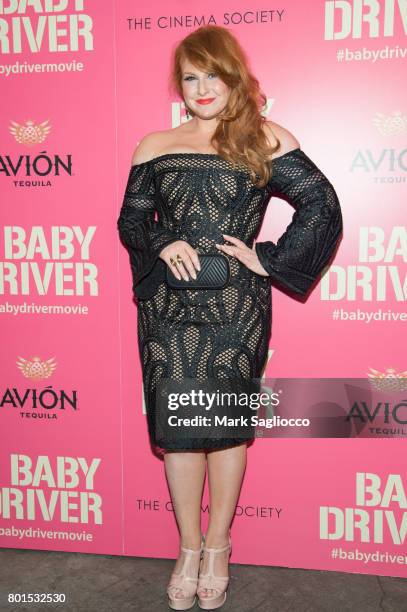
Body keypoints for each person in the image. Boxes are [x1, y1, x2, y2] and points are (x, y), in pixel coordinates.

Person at [117, 24, 343, 611]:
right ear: (180, 87)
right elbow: (132, 222)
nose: (201, 86)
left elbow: (322, 204)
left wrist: (268, 259)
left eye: (211, 74)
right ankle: (187, 547)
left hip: (235, 306)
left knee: (222, 428)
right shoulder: (156, 143)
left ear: (233, 76)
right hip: (169, 308)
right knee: (180, 433)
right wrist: (163, 241)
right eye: (190, 77)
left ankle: (218, 545)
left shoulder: (262, 138)